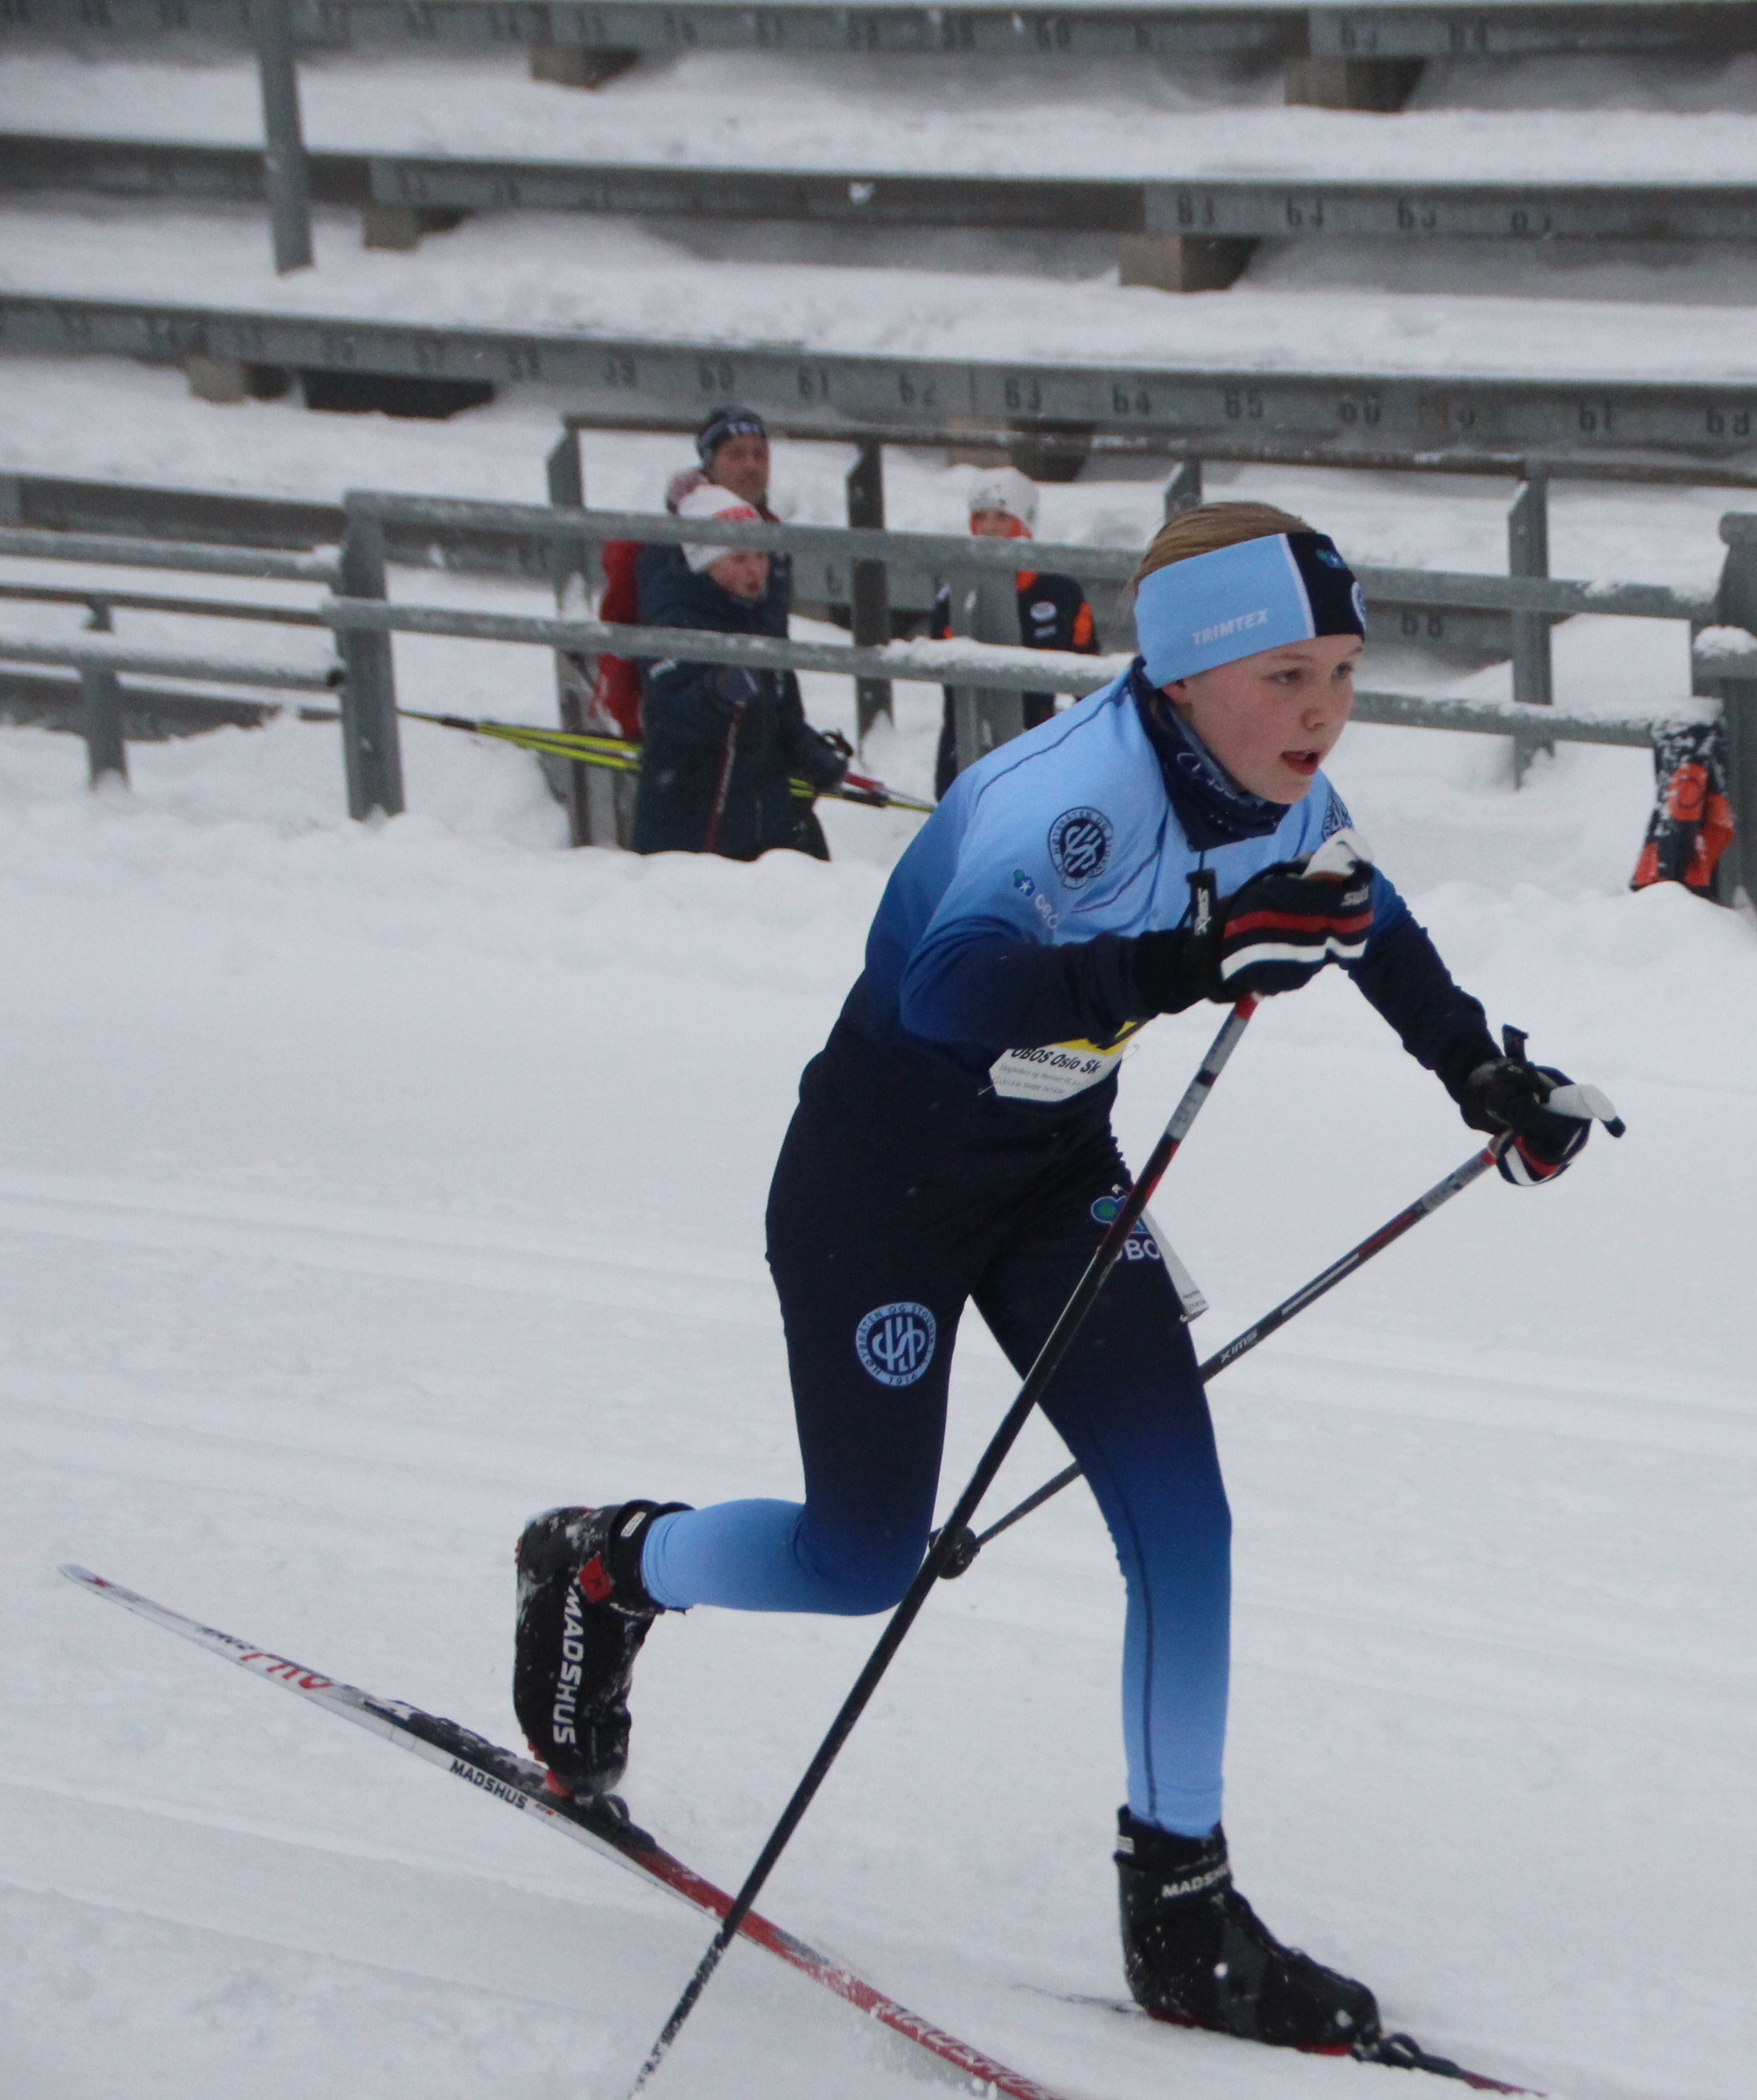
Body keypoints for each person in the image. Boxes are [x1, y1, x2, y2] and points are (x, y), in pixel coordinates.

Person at [509, 503, 1613, 2057]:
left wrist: (1483, 1074)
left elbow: (1366, 919)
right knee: (858, 1555)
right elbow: (948, 988)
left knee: (1184, 1521)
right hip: (878, 1188)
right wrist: (1194, 956)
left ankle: (1182, 1909)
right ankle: (609, 1564)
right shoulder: (1059, 799)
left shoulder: (1277, 787)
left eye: (1344, 673)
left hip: (1053, 1186)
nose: (1321, 712)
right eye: (1287, 675)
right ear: (1180, 676)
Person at [631, 495, 854, 860]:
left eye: (761, 556)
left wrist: (808, 751)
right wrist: (715, 694)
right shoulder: (676, 621)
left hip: (763, 818)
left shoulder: (762, 619)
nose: (755, 570)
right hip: (691, 825)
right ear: (705, 564)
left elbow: (780, 715)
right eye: (739, 559)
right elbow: (668, 721)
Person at [596, 406, 793, 738]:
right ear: (709, 463)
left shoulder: (773, 539)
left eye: (760, 454)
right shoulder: (660, 545)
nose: (751, 465)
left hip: (752, 721)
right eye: (736, 454)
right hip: (683, 726)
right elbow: (628, 645)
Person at [929, 466, 1104, 796]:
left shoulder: (1062, 593)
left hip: (1040, 751)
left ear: (1026, 522)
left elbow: (1088, 682)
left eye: (1002, 517)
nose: (990, 528)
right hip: (967, 750)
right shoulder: (956, 593)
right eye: (981, 517)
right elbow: (949, 677)